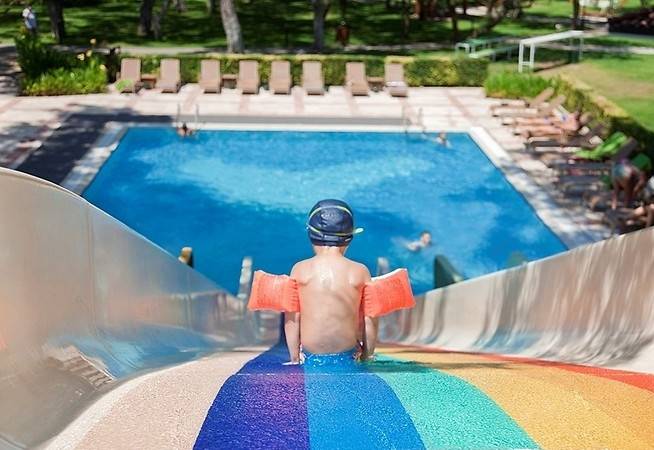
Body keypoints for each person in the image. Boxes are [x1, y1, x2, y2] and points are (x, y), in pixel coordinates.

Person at [285, 199, 374, 365]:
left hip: (310, 356)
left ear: (311, 235)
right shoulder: (360, 271)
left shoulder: (300, 270)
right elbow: (370, 319)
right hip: (349, 355)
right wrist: (367, 356)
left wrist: (295, 358)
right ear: (349, 238)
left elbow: (292, 319)